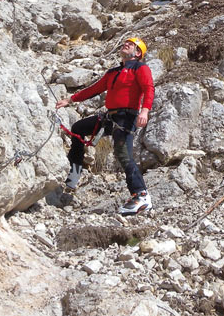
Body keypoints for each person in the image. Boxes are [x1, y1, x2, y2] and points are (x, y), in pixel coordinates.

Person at [55, 36, 154, 215]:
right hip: (110, 117)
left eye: (131, 44)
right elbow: (94, 89)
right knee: (78, 128)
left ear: (138, 53)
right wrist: (70, 99)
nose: (126, 44)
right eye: (125, 42)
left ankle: (141, 195)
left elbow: (148, 88)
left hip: (126, 118)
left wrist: (145, 111)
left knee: (123, 155)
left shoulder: (140, 68)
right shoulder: (113, 72)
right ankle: (75, 172)